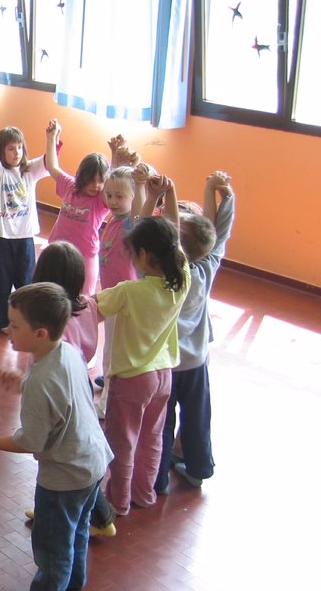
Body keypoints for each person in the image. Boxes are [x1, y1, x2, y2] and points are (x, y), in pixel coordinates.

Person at [0, 283, 113, 591]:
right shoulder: (67, 351)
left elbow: (30, 442)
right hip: (93, 463)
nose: (6, 329)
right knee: (77, 535)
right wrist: (25, 383)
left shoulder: (40, 379)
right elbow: (65, 392)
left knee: (53, 554)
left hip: (64, 478)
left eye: (14, 325)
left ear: (40, 334)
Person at [96, 174, 190, 516]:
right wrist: (169, 192)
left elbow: (94, 307)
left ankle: (118, 502)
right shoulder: (181, 279)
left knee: (122, 443)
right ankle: (143, 494)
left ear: (145, 255)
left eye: (134, 252)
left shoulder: (130, 291)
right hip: (164, 375)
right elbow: (172, 236)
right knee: (152, 439)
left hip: (132, 378)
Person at [25, 241, 117, 538]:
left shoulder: (53, 323)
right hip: (83, 386)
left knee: (58, 451)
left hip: (59, 388)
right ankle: (96, 515)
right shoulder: (89, 304)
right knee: (73, 448)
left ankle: (98, 517)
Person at [155, 171, 235, 493]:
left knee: (161, 425)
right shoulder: (209, 265)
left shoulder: (172, 275)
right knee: (197, 418)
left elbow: (172, 236)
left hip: (169, 365)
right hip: (197, 363)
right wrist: (222, 194)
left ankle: (157, 478)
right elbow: (220, 233)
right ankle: (199, 468)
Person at [0, 108, 50, 331]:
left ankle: (26, 321)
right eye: (10, 148)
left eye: (19, 147)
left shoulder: (30, 171)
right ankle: (3, 323)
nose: (17, 152)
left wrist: (52, 136)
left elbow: (50, 160)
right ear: (2, 152)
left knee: (26, 285)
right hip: (0, 239)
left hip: (24, 239)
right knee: (1, 285)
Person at [43, 119, 111, 296]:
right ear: (82, 176)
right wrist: (51, 138)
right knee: (53, 294)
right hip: (58, 251)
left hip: (84, 257)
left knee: (82, 299)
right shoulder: (70, 186)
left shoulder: (100, 201)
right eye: (91, 180)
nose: (96, 185)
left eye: (100, 181)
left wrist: (116, 155)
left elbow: (115, 183)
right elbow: (52, 166)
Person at [96, 164, 144, 414]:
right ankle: (107, 386)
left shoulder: (131, 223)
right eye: (109, 195)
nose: (112, 201)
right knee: (109, 349)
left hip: (123, 298)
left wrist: (142, 181)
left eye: (120, 197)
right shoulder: (114, 219)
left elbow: (141, 205)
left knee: (115, 352)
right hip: (112, 294)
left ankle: (107, 404)